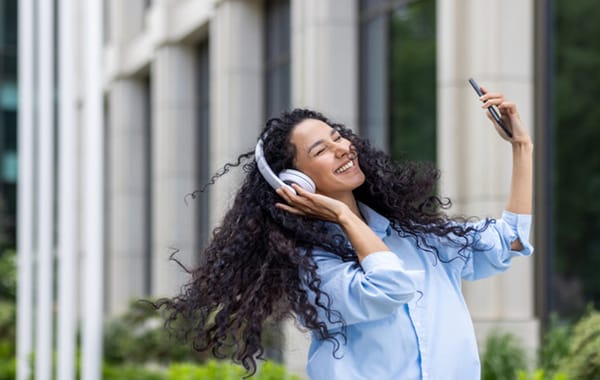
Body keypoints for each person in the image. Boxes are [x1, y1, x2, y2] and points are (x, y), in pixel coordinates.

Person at [155, 87, 533, 379]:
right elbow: (389, 287)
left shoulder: (412, 234)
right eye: (322, 149)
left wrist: (522, 148)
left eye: (338, 137)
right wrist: (343, 216)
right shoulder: (312, 268)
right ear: (295, 182)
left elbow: (508, 244)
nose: (342, 148)